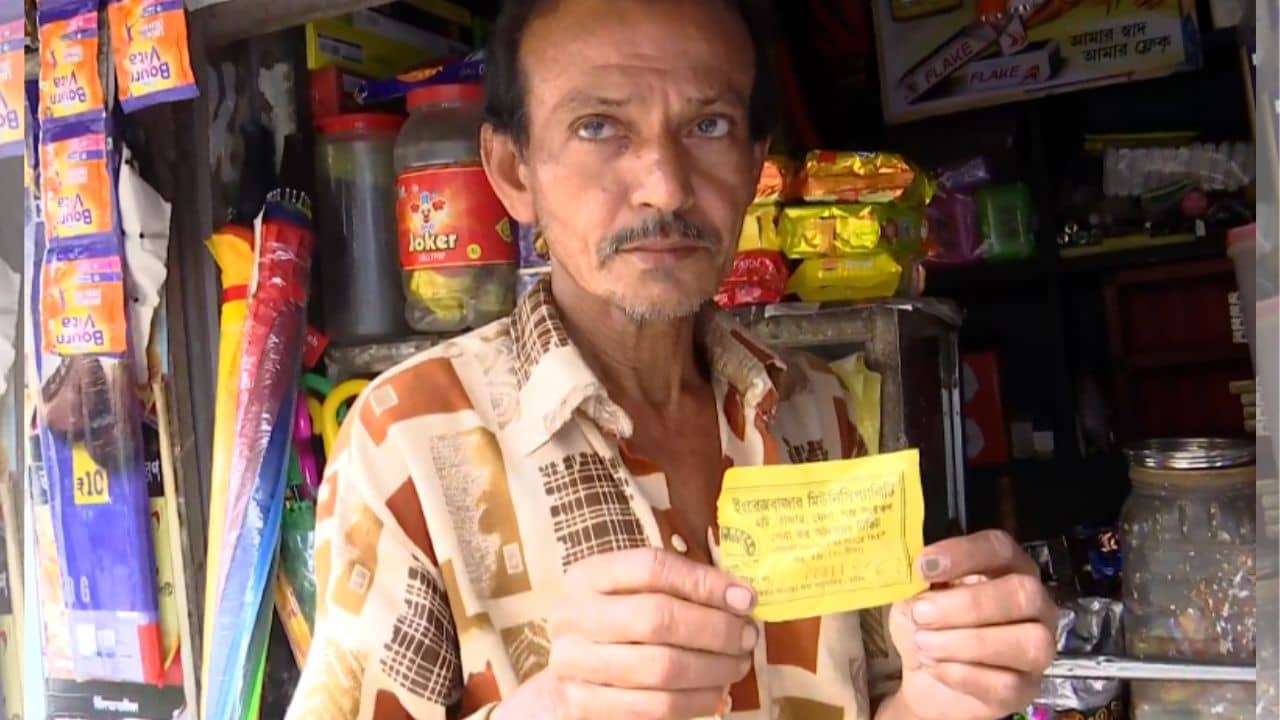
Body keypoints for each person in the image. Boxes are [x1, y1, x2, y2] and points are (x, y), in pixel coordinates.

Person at [285, 1, 1057, 718]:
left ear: (754, 164)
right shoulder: (408, 438)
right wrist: (556, 706)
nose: (664, 186)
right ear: (515, 171)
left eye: (709, 125)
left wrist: (941, 694)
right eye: (597, 126)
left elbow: (886, 694)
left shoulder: (812, 406)